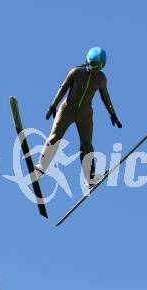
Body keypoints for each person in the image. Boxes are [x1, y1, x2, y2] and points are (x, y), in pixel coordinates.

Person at [34, 47, 122, 187]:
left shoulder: (101, 79)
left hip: (85, 115)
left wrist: (112, 114)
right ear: (87, 61)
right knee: (55, 137)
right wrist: (53, 106)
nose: (95, 69)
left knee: (86, 144)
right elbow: (63, 88)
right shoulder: (76, 72)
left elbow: (105, 97)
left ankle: (90, 178)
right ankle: (40, 168)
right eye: (93, 65)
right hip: (67, 110)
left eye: (99, 66)